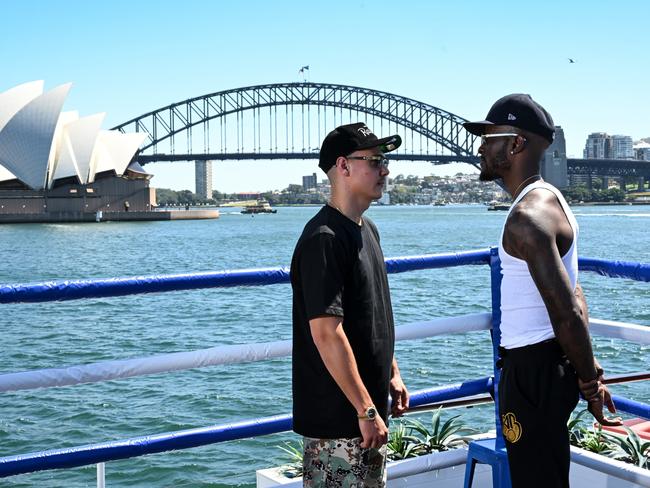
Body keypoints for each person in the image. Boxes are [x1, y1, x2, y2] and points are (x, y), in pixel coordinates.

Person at [464, 94, 622, 487]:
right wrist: (588, 372)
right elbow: (575, 290)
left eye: (488, 137)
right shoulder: (551, 200)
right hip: (549, 365)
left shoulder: (526, 218)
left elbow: (565, 309)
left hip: (532, 371)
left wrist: (590, 381)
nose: (480, 147)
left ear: (516, 143)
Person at [291, 122, 409, 487]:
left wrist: (391, 371)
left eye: (384, 160)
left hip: (364, 415)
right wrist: (366, 409)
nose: (385, 170)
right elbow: (327, 334)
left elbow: (370, 312)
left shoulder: (366, 228)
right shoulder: (323, 240)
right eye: (374, 160)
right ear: (342, 167)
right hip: (340, 421)